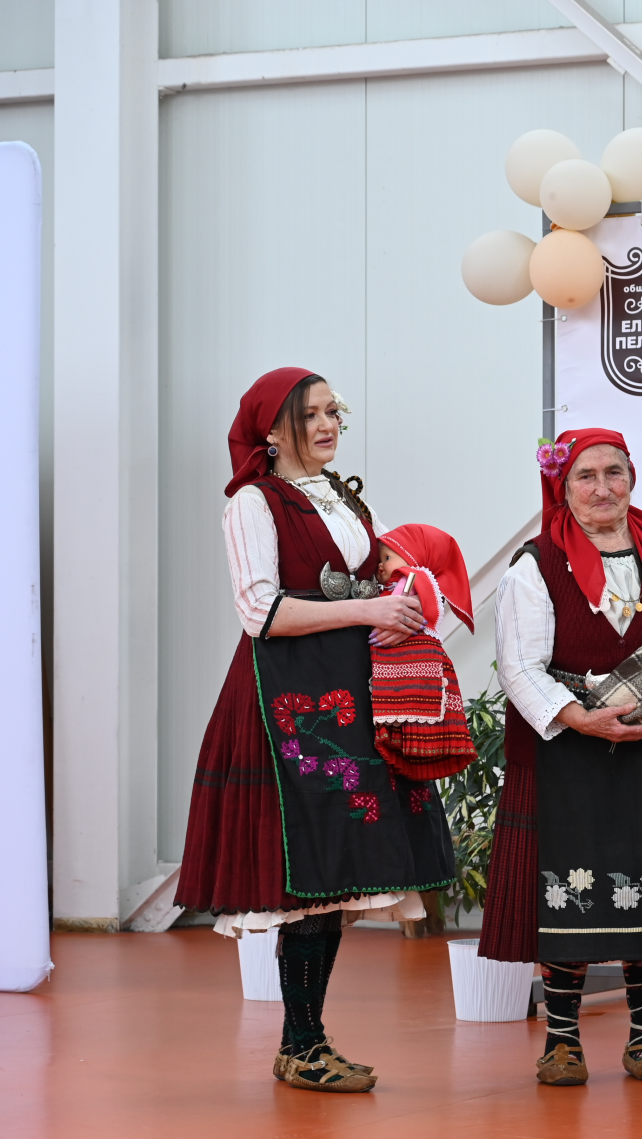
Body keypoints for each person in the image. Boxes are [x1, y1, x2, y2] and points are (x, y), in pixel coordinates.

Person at [176, 368, 455, 1094]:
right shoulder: (253, 502)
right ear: (272, 429)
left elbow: (365, 579)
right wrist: (367, 611)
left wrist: (402, 586)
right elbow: (260, 612)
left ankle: (305, 1041)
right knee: (310, 875)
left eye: (335, 412)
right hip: (289, 702)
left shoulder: (341, 494)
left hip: (348, 693)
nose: (329, 425)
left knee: (336, 877)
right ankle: (303, 1044)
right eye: (311, 414)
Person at [477, 428, 642, 1087]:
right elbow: (519, 666)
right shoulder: (535, 565)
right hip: (569, 750)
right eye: (586, 476)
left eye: (613, 472)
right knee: (569, 888)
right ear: (563, 487)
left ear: (632, 478)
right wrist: (580, 718)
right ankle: (562, 1042)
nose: (602, 488)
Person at [369, 523, 478, 781]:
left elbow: (417, 604)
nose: (380, 566)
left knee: (413, 700)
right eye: (379, 561)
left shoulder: (415, 578)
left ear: (412, 556)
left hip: (414, 658)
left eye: (387, 557)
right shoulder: (395, 585)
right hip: (395, 662)